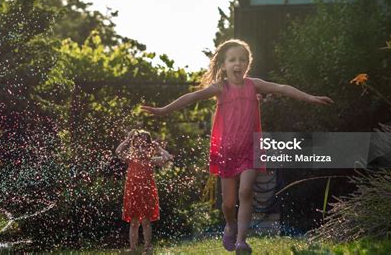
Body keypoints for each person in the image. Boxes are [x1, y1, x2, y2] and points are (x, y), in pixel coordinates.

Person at [141, 39, 333, 253]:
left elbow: (281, 88)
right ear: (223, 65)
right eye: (232, 60)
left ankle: (242, 241)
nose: (237, 63)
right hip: (226, 151)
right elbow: (192, 96)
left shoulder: (254, 85)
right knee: (228, 204)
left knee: (246, 191)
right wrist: (163, 110)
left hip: (251, 149)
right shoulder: (221, 88)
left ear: (247, 65)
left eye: (242, 59)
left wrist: (310, 97)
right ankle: (231, 224)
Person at [116, 129, 173, 253]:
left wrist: (158, 148)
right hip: (133, 192)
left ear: (149, 148)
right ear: (134, 146)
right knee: (134, 222)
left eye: (145, 145)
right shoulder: (131, 159)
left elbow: (167, 157)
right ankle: (132, 248)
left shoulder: (150, 160)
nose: (141, 148)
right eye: (138, 145)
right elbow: (118, 151)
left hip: (147, 192)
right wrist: (127, 139)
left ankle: (147, 247)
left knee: (146, 221)